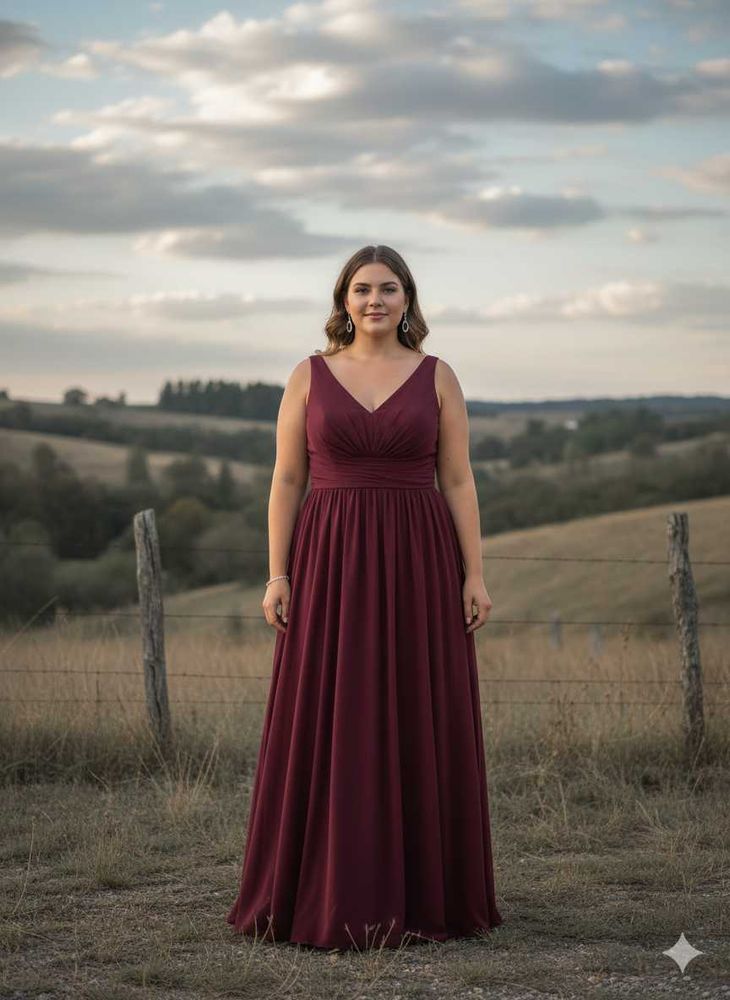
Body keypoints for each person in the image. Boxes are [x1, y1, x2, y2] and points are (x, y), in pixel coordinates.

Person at [227, 244, 503, 951]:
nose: (374, 300)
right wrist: (277, 573)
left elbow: (460, 481)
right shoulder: (308, 376)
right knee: (331, 709)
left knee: (417, 708)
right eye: (361, 289)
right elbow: (287, 481)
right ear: (342, 301)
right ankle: (320, 887)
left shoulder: (439, 377)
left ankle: (420, 894)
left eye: (387, 288)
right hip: (329, 559)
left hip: (419, 556)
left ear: (408, 299)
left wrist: (473, 574)